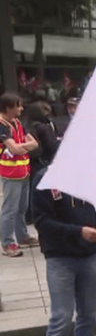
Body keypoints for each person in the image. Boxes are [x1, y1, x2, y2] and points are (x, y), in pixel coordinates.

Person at [33, 166, 96, 336]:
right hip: (60, 257)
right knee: (62, 317)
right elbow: (42, 222)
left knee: (89, 314)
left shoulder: (89, 176)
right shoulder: (45, 179)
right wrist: (78, 231)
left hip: (88, 254)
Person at [1, 93, 39, 257]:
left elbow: (34, 143)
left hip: (24, 171)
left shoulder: (17, 123)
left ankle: (22, 236)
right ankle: (8, 243)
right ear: (8, 108)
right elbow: (14, 148)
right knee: (10, 209)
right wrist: (23, 146)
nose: (21, 109)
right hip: (10, 173)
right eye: (18, 106)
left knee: (22, 208)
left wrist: (20, 146)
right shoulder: (2, 125)